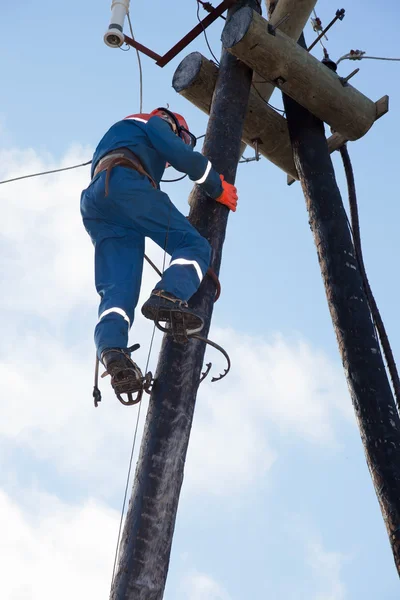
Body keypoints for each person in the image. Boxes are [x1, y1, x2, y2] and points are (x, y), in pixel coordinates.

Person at [80, 107, 238, 401]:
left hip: (98, 203)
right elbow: (176, 151)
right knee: (194, 246)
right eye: (184, 137)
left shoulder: (120, 136)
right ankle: (168, 295)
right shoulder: (154, 123)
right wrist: (215, 185)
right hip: (125, 183)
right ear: (173, 124)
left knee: (117, 295)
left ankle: (113, 353)